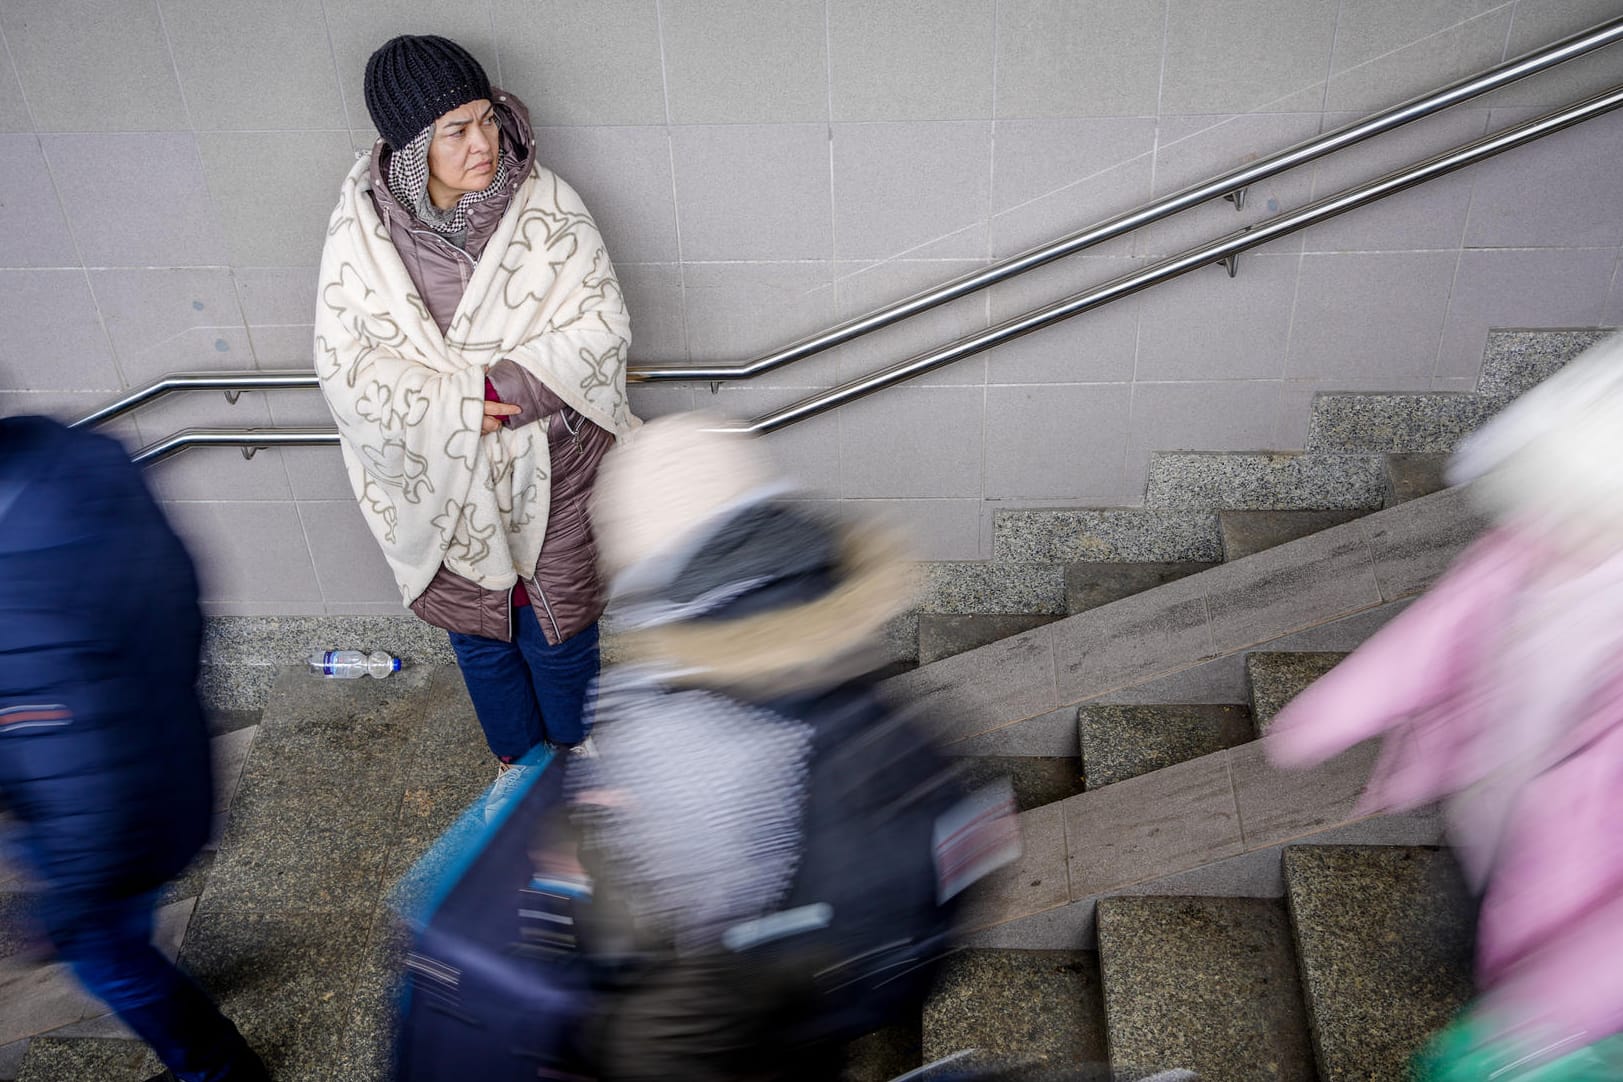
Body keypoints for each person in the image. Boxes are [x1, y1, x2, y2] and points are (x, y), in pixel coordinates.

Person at [569, 413, 1020, 1081]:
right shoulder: (828, 595)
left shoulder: (663, 714)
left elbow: (657, 903)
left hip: (765, 990)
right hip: (877, 958)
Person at [1266, 332, 1623, 1080]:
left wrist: (1536, 1021)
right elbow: (1433, 636)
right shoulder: (1527, 549)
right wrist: (1326, 715)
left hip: (1576, 910)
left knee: (1507, 964)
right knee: (1466, 927)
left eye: (1575, 520)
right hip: (1489, 824)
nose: (1547, 537)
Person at [315, 34, 637, 776]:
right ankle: (518, 768)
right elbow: (345, 364)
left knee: (561, 628)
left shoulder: (547, 206)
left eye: (486, 119)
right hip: (439, 474)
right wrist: (453, 404)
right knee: (481, 635)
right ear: (410, 146)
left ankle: (576, 751)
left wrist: (499, 392)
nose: (482, 143)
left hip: (555, 463)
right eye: (454, 131)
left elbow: (601, 326)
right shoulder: (363, 232)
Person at [0, 416, 268, 1082]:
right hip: (166, 754)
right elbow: (182, 599)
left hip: (108, 819)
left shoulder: (16, 577)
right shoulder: (79, 457)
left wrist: (64, 906)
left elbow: (79, 773)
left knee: (105, 957)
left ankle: (218, 1069)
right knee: (129, 923)